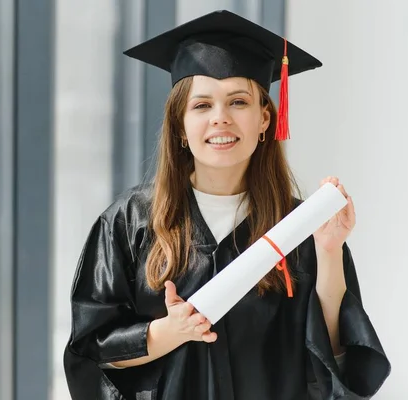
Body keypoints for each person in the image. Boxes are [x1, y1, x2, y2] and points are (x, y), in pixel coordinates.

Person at [63, 9, 391, 400]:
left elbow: (334, 356)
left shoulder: (299, 225)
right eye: (202, 106)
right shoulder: (131, 222)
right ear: (180, 125)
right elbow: (91, 349)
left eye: (238, 102)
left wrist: (330, 249)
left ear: (265, 118)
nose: (221, 119)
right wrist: (168, 333)